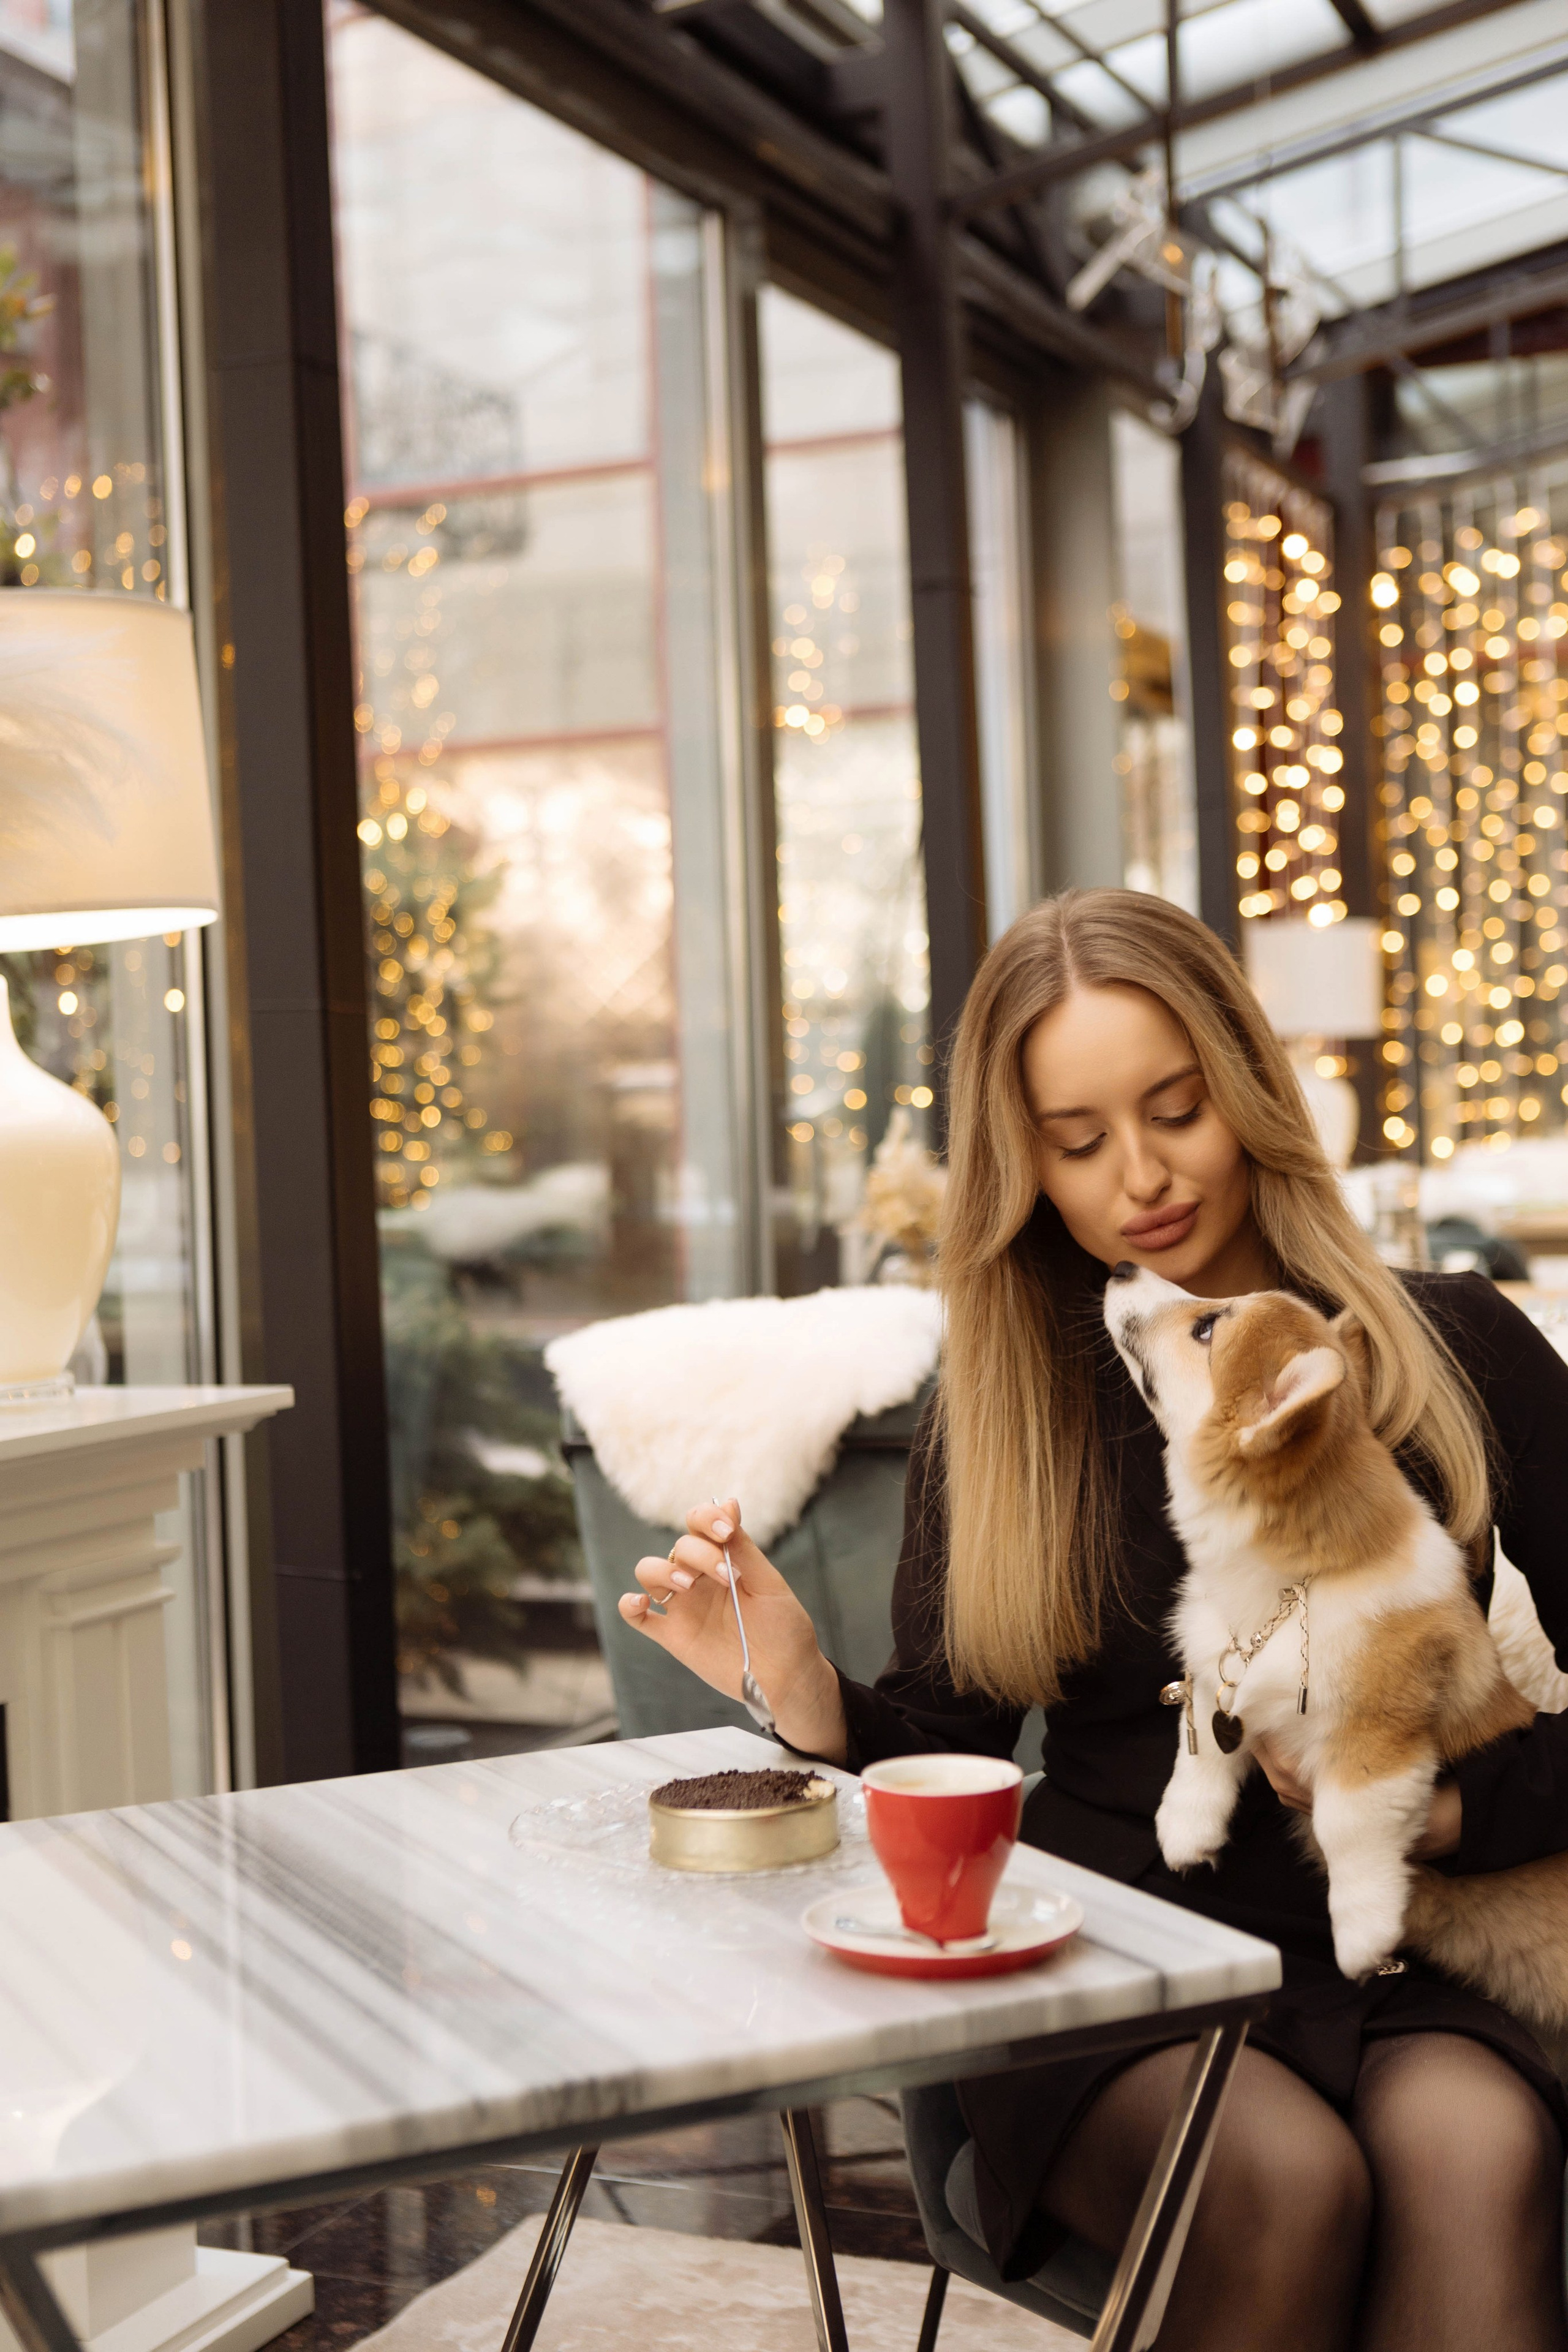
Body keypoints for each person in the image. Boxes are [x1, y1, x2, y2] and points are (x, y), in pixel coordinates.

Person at [618, 888, 1568, 2352]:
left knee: (1477, 2156)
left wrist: (1449, 1815)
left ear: (1246, 1089)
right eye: (1076, 1143)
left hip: (1402, 1947)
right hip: (1109, 1950)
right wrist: (804, 1688)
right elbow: (943, 1755)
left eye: (1175, 1109)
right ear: (1025, 1169)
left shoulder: (1455, 1350)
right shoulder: (1008, 1420)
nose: (1141, 1177)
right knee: (1282, 2185)